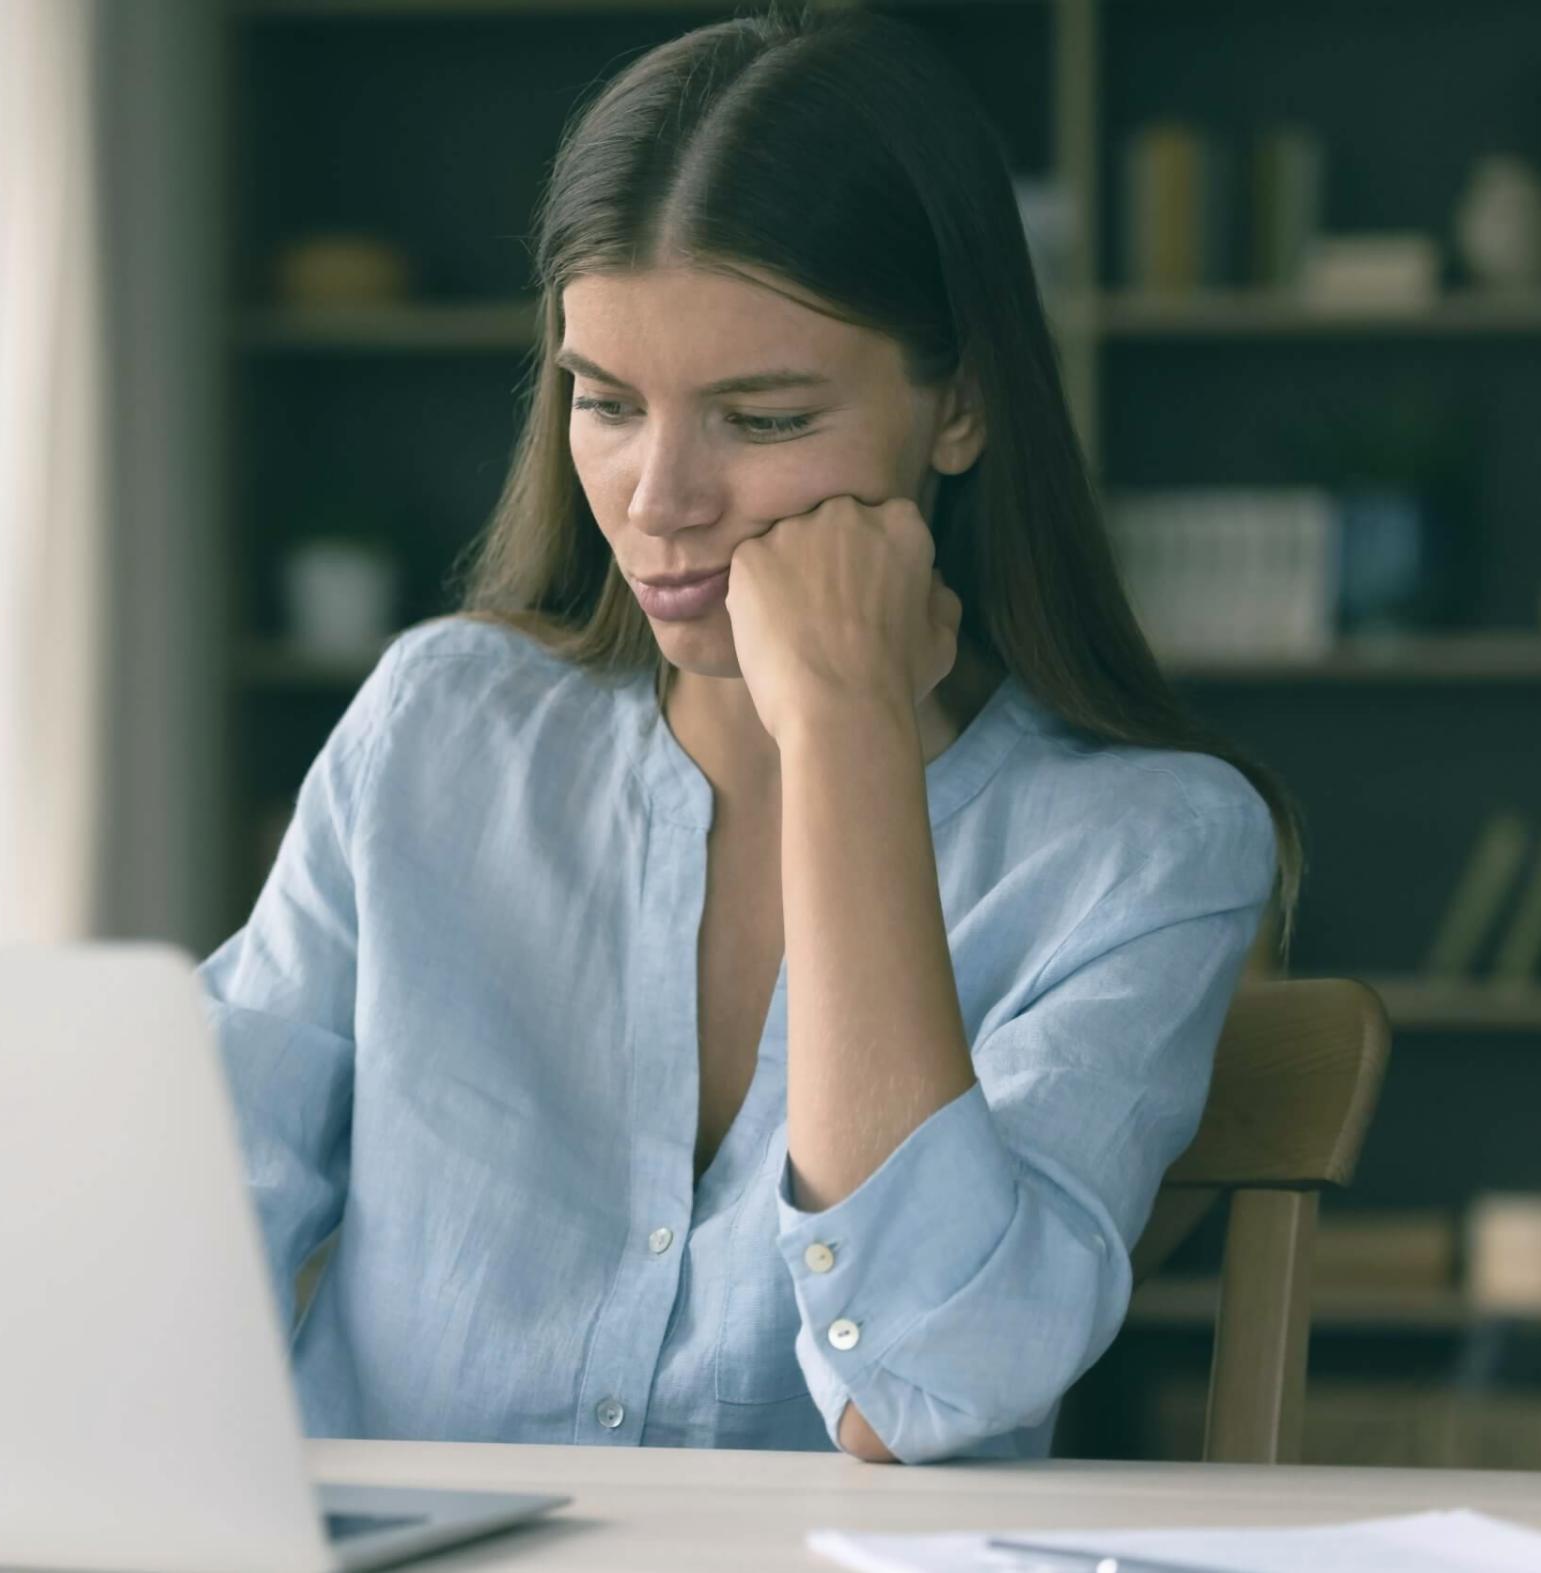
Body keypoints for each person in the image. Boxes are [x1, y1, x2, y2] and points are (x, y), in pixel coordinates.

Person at [197, 2, 1304, 1465]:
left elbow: (915, 1393)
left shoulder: (1148, 847)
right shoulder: (436, 728)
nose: (659, 500)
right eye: (606, 403)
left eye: (763, 420)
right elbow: (171, 1239)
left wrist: (846, 731)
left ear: (960, 404)